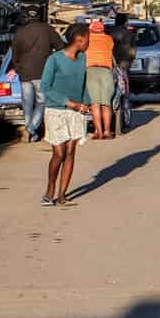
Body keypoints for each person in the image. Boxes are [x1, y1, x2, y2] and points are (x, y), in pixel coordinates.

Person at [38, 23, 92, 207]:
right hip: (56, 111)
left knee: (70, 152)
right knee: (59, 153)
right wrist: (69, 103)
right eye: (88, 39)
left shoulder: (83, 58)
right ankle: (49, 190)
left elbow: (84, 83)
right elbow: (45, 87)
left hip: (76, 112)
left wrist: (86, 103)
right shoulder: (54, 59)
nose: (89, 43)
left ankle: (62, 195)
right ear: (79, 39)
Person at [9, 10, 63, 143]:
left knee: (27, 105)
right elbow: (61, 47)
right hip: (42, 73)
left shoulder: (20, 32)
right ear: (40, 16)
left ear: (26, 17)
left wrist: (16, 68)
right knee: (42, 102)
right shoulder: (48, 30)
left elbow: (15, 53)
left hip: (24, 74)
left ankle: (31, 135)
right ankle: (31, 129)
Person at [84, 18, 118, 139]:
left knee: (95, 103)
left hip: (90, 70)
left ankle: (98, 132)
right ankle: (107, 132)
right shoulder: (109, 39)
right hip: (106, 71)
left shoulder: (86, 38)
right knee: (106, 103)